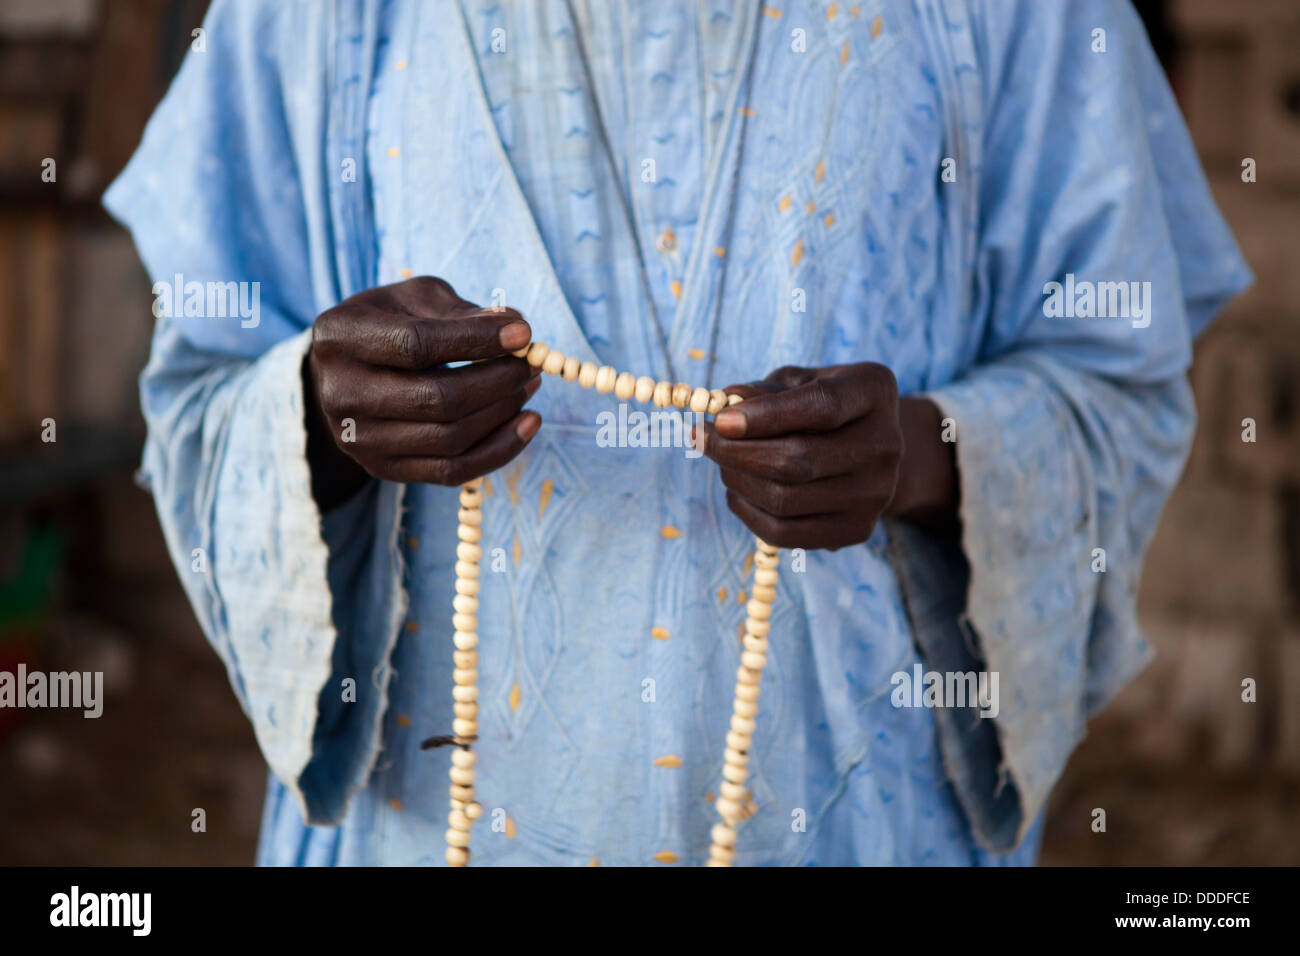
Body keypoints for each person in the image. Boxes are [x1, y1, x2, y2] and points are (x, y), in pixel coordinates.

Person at [105, 0, 1250, 866]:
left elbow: (1121, 381)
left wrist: (923, 451)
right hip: (422, 827)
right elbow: (201, 391)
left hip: (868, 821)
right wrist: (318, 411)